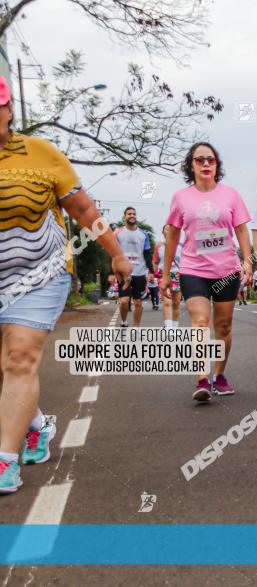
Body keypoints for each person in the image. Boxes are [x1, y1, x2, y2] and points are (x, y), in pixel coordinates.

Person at [0, 75, 131, 493]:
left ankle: (5, 460)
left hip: (40, 272)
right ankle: (36, 424)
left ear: (9, 110)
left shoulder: (41, 155)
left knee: (19, 358)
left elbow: (82, 208)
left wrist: (116, 253)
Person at [163, 142, 252, 403]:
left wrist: (248, 260)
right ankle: (202, 377)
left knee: (223, 326)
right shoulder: (181, 198)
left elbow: (242, 230)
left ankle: (220, 376)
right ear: (191, 165)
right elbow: (172, 235)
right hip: (193, 269)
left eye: (210, 160)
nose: (205, 164)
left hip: (226, 269)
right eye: (200, 160)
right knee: (201, 321)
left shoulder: (231, 195)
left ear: (216, 165)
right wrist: (167, 273)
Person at [115, 207, 153, 327]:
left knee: (138, 302)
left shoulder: (143, 234)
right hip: (124, 273)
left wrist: (151, 271)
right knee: (124, 302)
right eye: (129, 214)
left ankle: (135, 328)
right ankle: (124, 321)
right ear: (124, 216)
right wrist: (111, 272)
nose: (132, 215)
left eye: (134, 214)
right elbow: (113, 254)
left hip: (140, 273)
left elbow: (147, 254)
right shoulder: (118, 232)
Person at [154, 226, 183, 328]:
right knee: (167, 302)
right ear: (162, 232)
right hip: (163, 275)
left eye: (171, 229)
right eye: (166, 229)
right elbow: (155, 262)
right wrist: (154, 275)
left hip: (177, 275)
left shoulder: (181, 246)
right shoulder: (158, 246)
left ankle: (175, 327)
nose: (169, 231)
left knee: (176, 303)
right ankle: (169, 328)